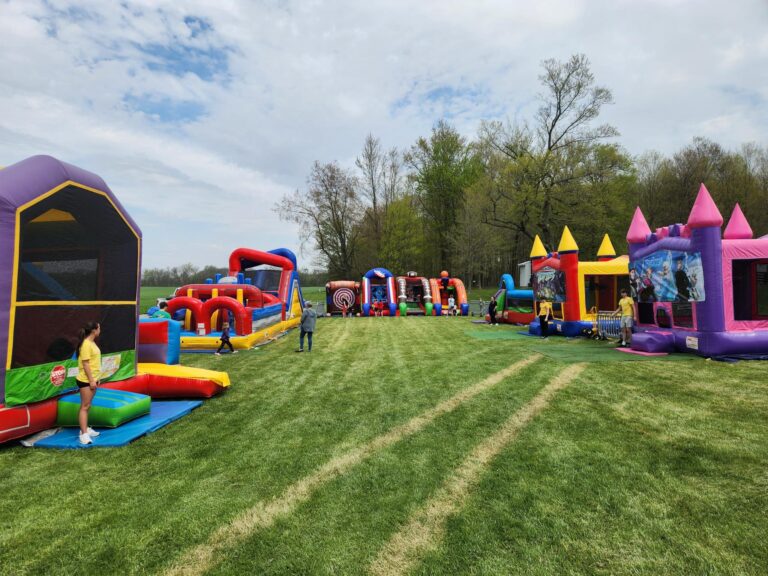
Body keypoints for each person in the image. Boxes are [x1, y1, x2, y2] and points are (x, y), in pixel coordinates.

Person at [75, 321, 102, 445]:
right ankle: (83, 434)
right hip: (86, 380)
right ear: (94, 330)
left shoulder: (91, 342)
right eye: (99, 328)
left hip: (92, 379)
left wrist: (96, 378)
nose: (100, 330)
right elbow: (85, 364)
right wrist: (91, 380)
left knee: (88, 405)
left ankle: (85, 429)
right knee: (85, 407)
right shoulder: (86, 344)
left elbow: (93, 362)